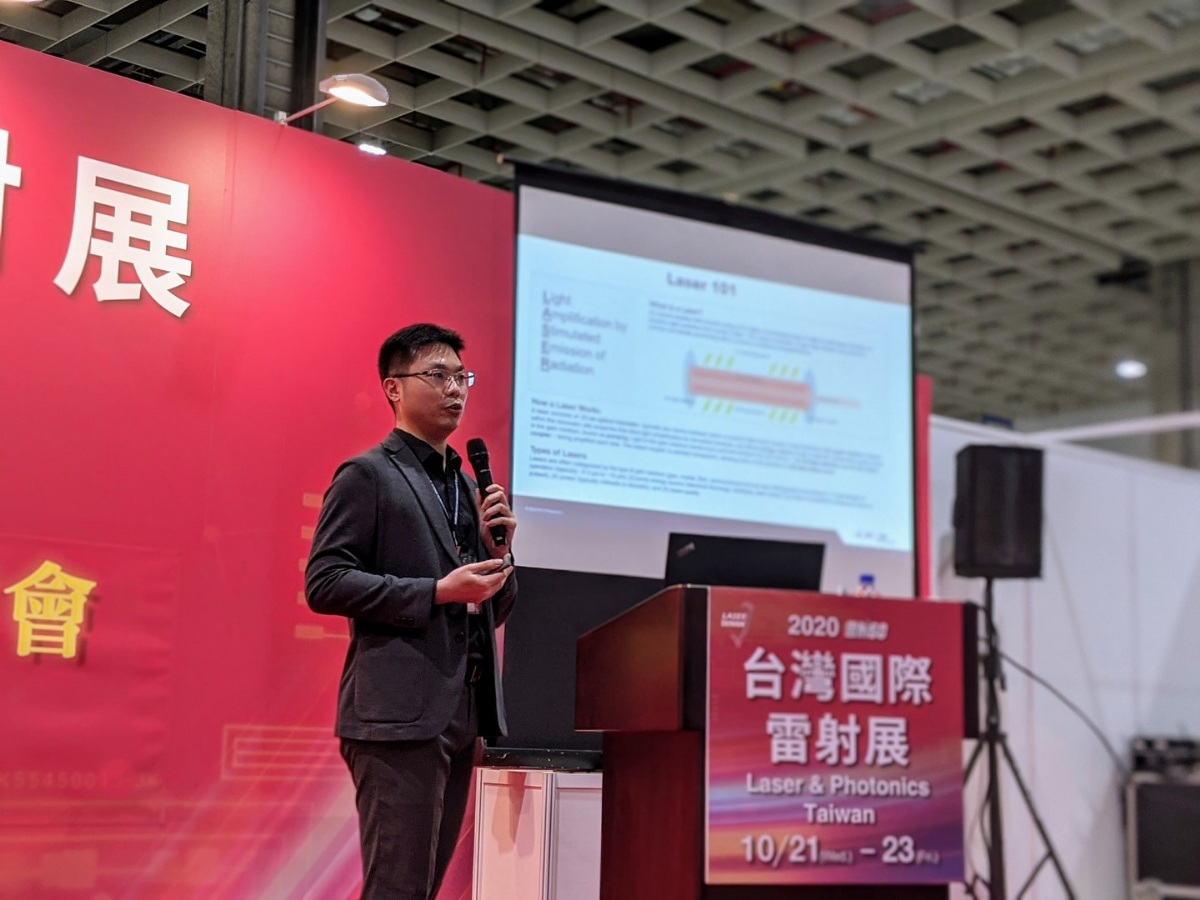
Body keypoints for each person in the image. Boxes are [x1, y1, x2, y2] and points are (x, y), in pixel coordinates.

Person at [305, 323, 517, 899]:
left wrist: (501, 555)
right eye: (437, 375)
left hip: (461, 714)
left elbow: (491, 609)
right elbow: (325, 583)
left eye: (462, 377)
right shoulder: (368, 475)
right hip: (398, 717)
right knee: (396, 889)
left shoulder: (468, 488)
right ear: (393, 388)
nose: (455, 389)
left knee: (422, 890)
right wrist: (435, 592)